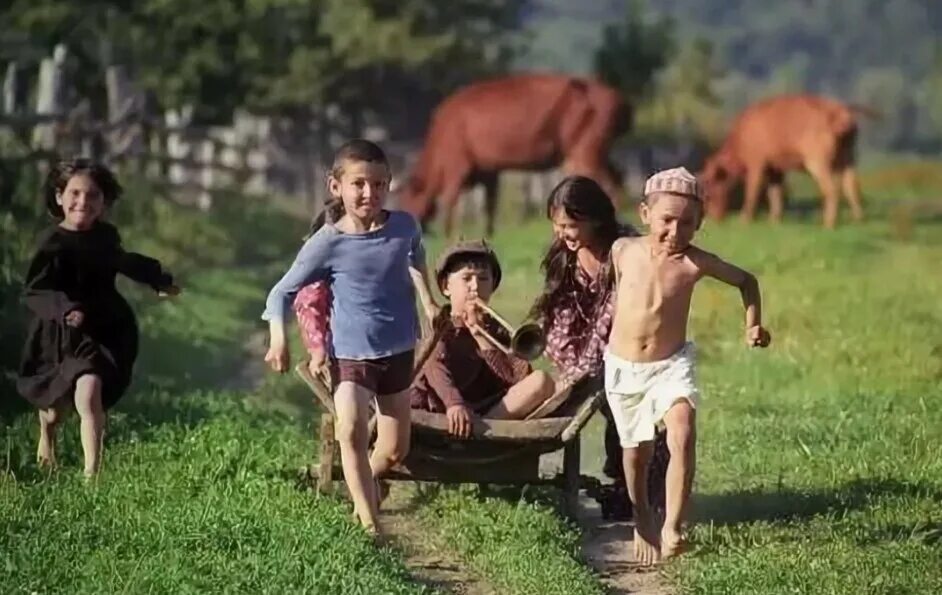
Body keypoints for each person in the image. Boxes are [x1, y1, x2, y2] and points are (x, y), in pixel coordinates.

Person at [261, 139, 439, 536]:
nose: (368, 193)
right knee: (351, 430)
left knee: (394, 449)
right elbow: (281, 292)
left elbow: (415, 256)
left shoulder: (404, 226)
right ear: (335, 186)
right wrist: (279, 338)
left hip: (397, 351)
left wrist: (428, 300)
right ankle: (370, 525)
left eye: (378, 184)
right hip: (351, 355)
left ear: (389, 184)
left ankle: (361, 487)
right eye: (359, 184)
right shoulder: (327, 243)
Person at [606, 166, 771, 564]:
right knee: (636, 453)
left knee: (682, 431)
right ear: (645, 214)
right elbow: (617, 291)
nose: (675, 233)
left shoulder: (696, 263)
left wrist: (753, 325)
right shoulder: (622, 250)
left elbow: (747, 281)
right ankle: (641, 512)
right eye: (666, 221)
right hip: (624, 368)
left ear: (699, 225)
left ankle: (673, 526)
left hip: (671, 364)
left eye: (687, 224)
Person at [16, 158, 180, 478]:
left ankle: (92, 476)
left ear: (104, 201)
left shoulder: (105, 237)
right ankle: (47, 434)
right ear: (59, 196)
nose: (83, 202)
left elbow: (123, 261)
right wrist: (64, 310)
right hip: (59, 335)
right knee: (53, 410)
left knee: (90, 394)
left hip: (103, 329)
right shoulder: (51, 243)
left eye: (93, 195)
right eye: (75, 194)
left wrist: (157, 278)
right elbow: (34, 290)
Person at [529, 175, 670, 518]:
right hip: (588, 354)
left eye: (569, 225)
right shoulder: (567, 256)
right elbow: (561, 318)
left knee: (624, 406)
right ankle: (622, 485)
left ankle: (639, 490)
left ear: (594, 219)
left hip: (635, 345)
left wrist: (589, 369)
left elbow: (617, 317)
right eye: (557, 226)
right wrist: (569, 371)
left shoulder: (627, 252)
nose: (562, 234)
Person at [411, 240, 555, 437]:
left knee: (542, 380)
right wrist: (455, 404)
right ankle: (471, 427)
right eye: (466, 278)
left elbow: (515, 379)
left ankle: (479, 430)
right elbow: (435, 368)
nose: (475, 287)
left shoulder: (495, 328)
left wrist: (480, 335)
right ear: (446, 287)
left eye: (483, 279)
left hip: (486, 412)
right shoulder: (440, 323)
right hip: (443, 408)